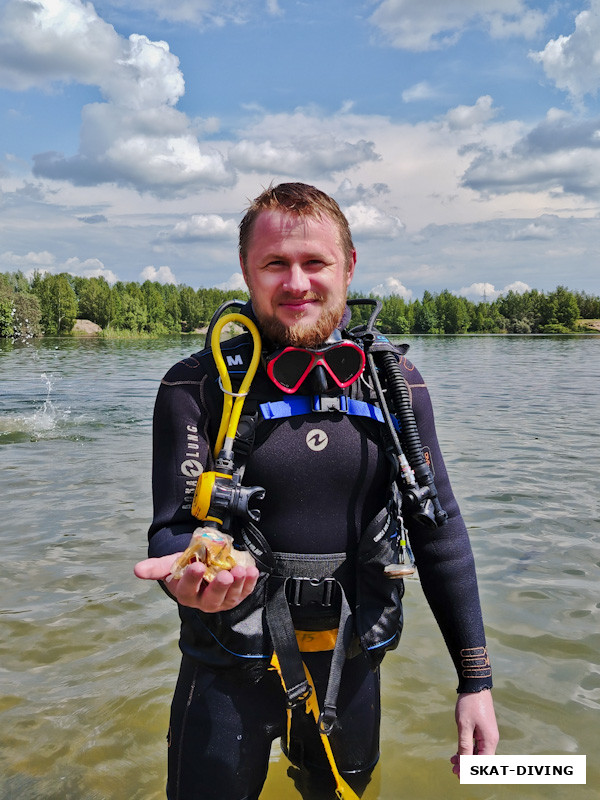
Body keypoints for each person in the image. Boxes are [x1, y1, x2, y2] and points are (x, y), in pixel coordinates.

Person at [134, 182, 499, 799]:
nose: (296, 283)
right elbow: (171, 528)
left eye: (315, 262)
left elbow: (439, 530)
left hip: (350, 666)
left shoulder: (397, 385)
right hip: (227, 661)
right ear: (247, 270)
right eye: (275, 263)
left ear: (349, 266)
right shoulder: (195, 386)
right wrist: (185, 575)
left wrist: (475, 681)